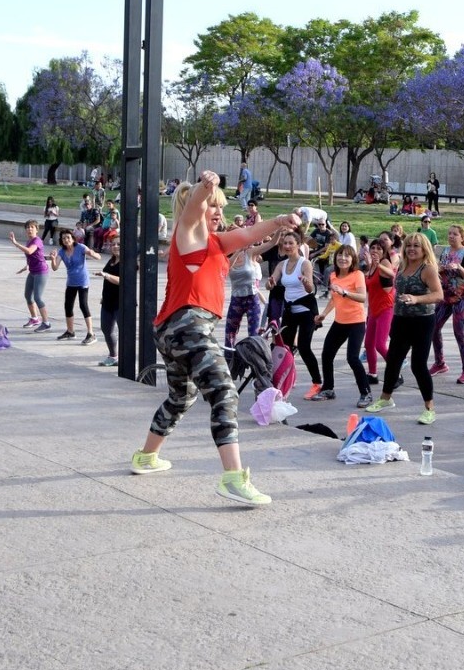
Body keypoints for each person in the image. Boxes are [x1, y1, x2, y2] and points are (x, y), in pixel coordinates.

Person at [129, 172, 301, 507]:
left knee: (181, 398)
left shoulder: (216, 243)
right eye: (213, 206)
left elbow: (251, 232)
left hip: (175, 330)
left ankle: (146, 457)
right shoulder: (188, 233)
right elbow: (192, 208)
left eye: (220, 205)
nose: (217, 211)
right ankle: (234, 478)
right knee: (224, 391)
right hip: (187, 325)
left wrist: (279, 221)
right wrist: (203, 189)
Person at [366, 233, 445, 424]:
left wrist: (416, 299)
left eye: (416, 246)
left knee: (419, 365)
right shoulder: (402, 265)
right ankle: (386, 398)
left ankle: (429, 408)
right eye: (409, 245)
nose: (411, 249)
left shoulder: (427, 269)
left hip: (422, 321)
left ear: (424, 248)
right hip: (401, 319)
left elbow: (438, 295)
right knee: (393, 361)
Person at [311, 245, 369, 403]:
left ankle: (366, 393)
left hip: (356, 322)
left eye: (347, 256)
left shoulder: (357, 274)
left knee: (352, 358)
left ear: (353, 259)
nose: (343, 258)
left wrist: (345, 292)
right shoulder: (333, 275)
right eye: (340, 255)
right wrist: (323, 314)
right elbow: (334, 298)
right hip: (340, 322)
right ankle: (328, 389)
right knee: (327, 354)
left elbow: (362, 297)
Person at [268, 228, 323, 391]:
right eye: (285, 243)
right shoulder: (281, 264)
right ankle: (287, 378)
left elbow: (310, 289)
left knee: (305, 348)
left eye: (291, 243)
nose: (287, 245)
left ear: (298, 245)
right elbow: (270, 283)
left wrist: (307, 282)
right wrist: (270, 283)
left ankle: (317, 382)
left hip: (306, 311)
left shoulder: (304, 263)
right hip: (290, 311)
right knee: (284, 348)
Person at [430, 224, 464, 385]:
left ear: (462, 237)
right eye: (449, 234)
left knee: (459, 333)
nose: (451, 236)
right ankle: (440, 363)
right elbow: (439, 271)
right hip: (445, 296)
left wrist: (459, 268)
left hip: (461, 298)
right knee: (434, 328)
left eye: (455, 234)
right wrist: (439, 268)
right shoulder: (446, 251)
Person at [50, 228, 101, 344]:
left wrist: (93, 254)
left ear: (73, 238)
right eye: (63, 238)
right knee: (68, 306)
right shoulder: (62, 252)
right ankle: (70, 331)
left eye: (68, 237)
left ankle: (91, 333)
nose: (66, 240)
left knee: (83, 305)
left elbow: (97, 256)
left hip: (83, 281)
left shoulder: (81, 247)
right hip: (71, 282)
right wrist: (53, 259)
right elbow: (55, 268)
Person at [361, 238, 396, 400]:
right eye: (373, 248)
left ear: (384, 252)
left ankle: (395, 373)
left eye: (379, 249)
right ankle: (373, 374)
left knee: (380, 344)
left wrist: (377, 264)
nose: (375, 250)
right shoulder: (371, 267)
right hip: (373, 310)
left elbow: (392, 274)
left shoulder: (384, 264)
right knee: (368, 344)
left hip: (386, 309)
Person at [8, 221, 52, 332]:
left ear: (37, 229)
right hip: (32, 272)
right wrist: (27, 266)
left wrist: (15, 243)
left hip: (41, 272)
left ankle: (46, 322)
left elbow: (30, 251)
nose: (29, 229)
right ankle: (34, 318)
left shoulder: (37, 240)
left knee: (37, 297)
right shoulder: (29, 241)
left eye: (32, 227)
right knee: (28, 296)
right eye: (27, 227)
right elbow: (37, 256)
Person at [95, 234, 121, 367]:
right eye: (113, 244)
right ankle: (113, 356)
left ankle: (126, 356)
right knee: (106, 329)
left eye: (118, 244)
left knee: (124, 331)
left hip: (122, 302)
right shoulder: (111, 260)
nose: (115, 246)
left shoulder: (128, 262)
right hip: (107, 301)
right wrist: (103, 296)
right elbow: (108, 283)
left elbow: (123, 281)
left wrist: (106, 275)